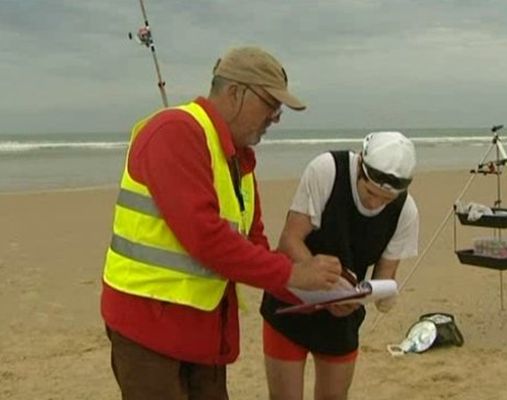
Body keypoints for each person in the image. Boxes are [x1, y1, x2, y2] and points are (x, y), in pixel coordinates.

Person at [101, 46, 342, 400]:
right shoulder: (175, 131)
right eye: (271, 105)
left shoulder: (238, 159)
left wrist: (320, 293)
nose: (276, 118)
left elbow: (254, 246)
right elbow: (205, 237)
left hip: (204, 332)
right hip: (149, 328)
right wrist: (294, 275)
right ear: (235, 93)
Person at [260, 131, 419, 400]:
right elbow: (290, 239)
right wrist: (319, 274)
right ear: (360, 166)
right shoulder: (327, 170)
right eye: (370, 192)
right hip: (290, 302)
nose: (375, 202)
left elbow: (384, 275)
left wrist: (363, 299)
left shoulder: (406, 211)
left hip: (342, 317)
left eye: (385, 200)